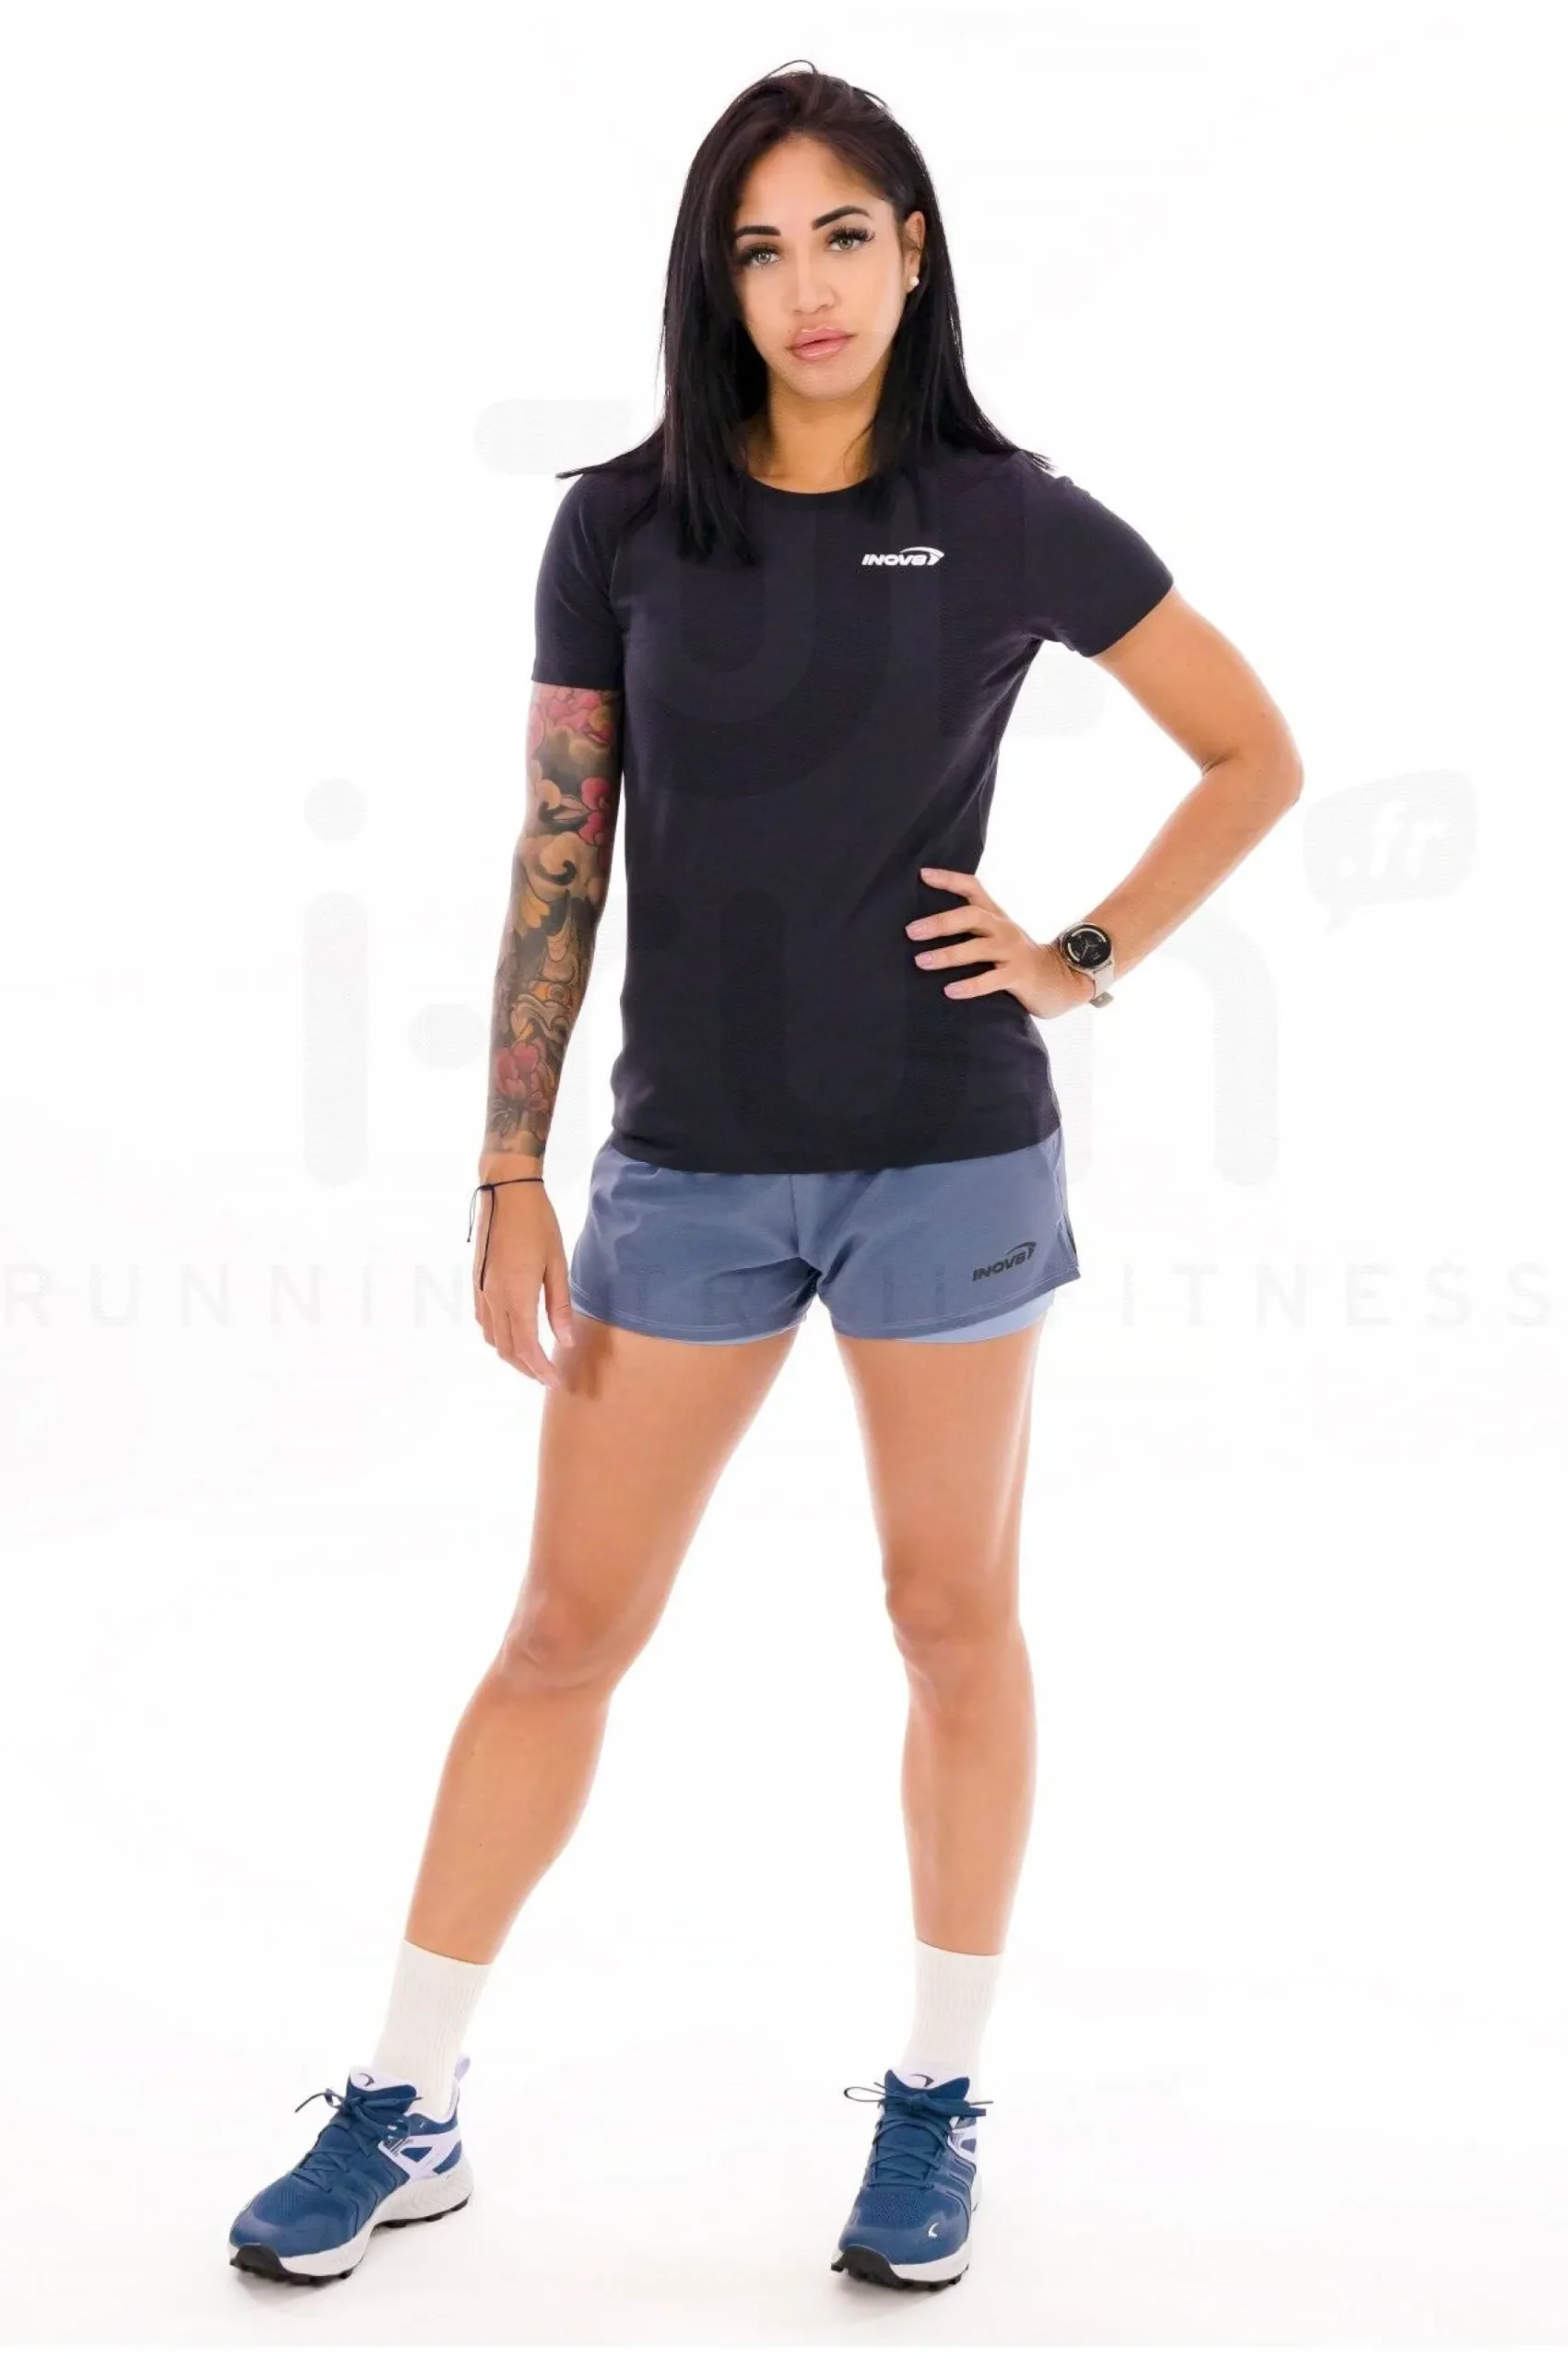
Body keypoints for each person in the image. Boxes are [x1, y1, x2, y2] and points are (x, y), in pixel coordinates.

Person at [228, 62, 1303, 2294]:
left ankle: (933, 2094)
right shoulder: (623, 525)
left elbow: (1250, 750)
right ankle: (405, 2097)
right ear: (711, 281)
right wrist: (508, 1162)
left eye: (840, 234)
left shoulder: (1010, 515)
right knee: (562, 1631)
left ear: (912, 251)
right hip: (690, 1169)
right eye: (757, 246)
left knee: (947, 1619)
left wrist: (1081, 954)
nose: (804, 285)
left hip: (947, 1152)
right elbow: (560, 847)